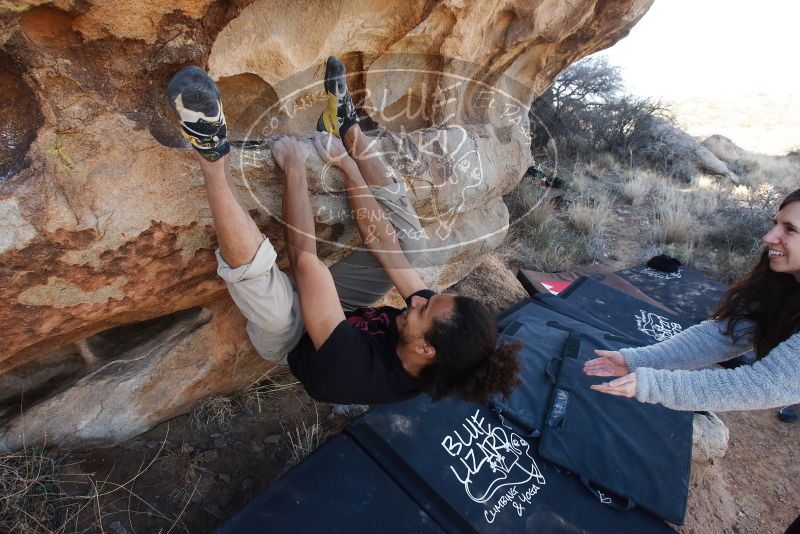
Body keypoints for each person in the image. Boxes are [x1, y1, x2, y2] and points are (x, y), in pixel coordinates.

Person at [166, 57, 520, 405]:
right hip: (343, 311)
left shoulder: (354, 372)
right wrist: (347, 165)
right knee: (410, 244)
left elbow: (307, 264)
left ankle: (212, 156)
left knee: (274, 307)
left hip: (297, 338)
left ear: (425, 349)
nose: (419, 299)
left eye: (423, 310)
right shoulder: (428, 324)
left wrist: (295, 169)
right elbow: (385, 244)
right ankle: (347, 126)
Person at [583, 188, 800, 412]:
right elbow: (725, 335)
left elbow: (765, 384)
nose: (768, 237)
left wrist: (656, 384)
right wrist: (637, 360)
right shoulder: (783, 282)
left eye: (790, 229)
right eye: (776, 224)